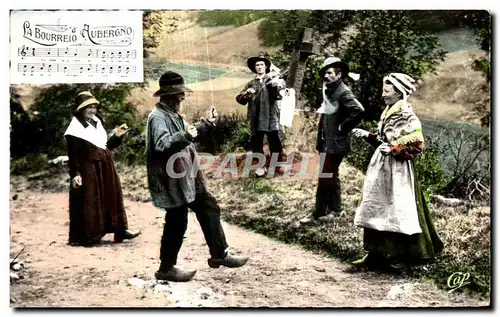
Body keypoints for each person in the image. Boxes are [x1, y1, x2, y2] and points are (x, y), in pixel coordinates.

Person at [147, 71, 249, 282]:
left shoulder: (174, 115)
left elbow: (188, 135)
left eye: (182, 93)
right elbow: (162, 145)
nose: (182, 97)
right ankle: (166, 268)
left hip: (188, 175)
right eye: (178, 94)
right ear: (166, 96)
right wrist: (185, 135)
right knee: (177, 220)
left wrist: (206, 124)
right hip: (171, 180)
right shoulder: (157, 117)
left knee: (208, 206)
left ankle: (219, 254)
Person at [351, 73, 444, 269]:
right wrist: (369, 136)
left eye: (387, 90)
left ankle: (404, 255)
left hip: (399, 169)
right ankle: (374, 253)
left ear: (399, 92)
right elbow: (384, 139)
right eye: (383, 90)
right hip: (382, 168)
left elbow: (417, 144)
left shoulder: (407, 115)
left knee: (398, 209)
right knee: (375, 206)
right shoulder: (388, 112)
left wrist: (394, 150)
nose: (383, 94)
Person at [64, 91, 141, 246]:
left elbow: (105, 146)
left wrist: (118, 136)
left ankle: (120, 230)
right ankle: (90, 235)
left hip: (105, 165)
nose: (92, 110)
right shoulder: (74, 129)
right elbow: (74, 155)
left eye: (94, 107)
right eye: (88, 107)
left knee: (112, 195)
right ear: (80, 109)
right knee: (91, 200)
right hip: (88, 168)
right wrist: (75, 174)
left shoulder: (97, 122)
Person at [300, 57, 365, 224]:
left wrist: (343, 128)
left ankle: (318, 213)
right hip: (327, 142)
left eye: (329, 73)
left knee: (325, 176)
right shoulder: (329, 90)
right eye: (324, 73)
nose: (326, 76)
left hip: (336, 144)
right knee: (331, 175)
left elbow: (358, 110)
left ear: (339, 74)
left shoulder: (343, 92)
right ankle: (335, 210)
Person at [236, 53, 286, 177]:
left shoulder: (273, 80)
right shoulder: (251, 83)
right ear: (254, 68)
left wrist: (278, 85)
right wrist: (247, 93)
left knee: (274, 141)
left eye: (261, 64)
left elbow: (281, 93)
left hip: (270, 116)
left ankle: (276, 165)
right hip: (255, 117)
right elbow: (240, 100)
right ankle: (261, 166)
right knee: (256, 142)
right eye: (257, 65)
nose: (259, 67)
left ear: (266, 66)